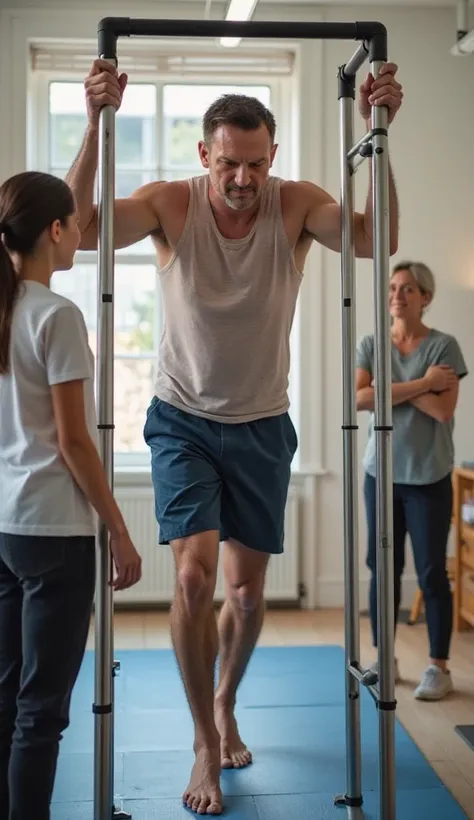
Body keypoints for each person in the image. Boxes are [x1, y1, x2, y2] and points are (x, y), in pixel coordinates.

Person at [67, 58, 403, 815]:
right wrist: (93, 124)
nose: (243, 178)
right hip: (182, 419)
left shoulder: (295, 206)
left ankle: (225, 702)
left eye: (255, 163)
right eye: (228, 163)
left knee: (246, 598)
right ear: (203, 157)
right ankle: (200, 739)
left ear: (272, 157)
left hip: (261, 422)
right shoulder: (171, 206)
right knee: (192, 577)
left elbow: (372, 239)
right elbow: (81, 231)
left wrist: (380, 138)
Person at [0, 170, 142, 820]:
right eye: (77, 224)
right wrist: (117, 527)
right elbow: (73, 442)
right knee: (41, 711)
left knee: (8, 696)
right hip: (54, 533)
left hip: (6, 526)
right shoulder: (56, 314)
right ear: (55, 231)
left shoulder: (8, 311)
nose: (83, 233)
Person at [356, 260, 468, 701]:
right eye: (393, 288)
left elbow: (444, 411)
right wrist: (424, 383)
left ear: (426, 297)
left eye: (408, 289)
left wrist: (390, 391)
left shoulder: (445, 346)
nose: (398, 295)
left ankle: (439, 668)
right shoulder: (371, 343)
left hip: (428, 477)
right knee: (381, 568)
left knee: (430, 573)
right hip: (379, 475)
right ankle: (386, 658)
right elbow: (361, 399)